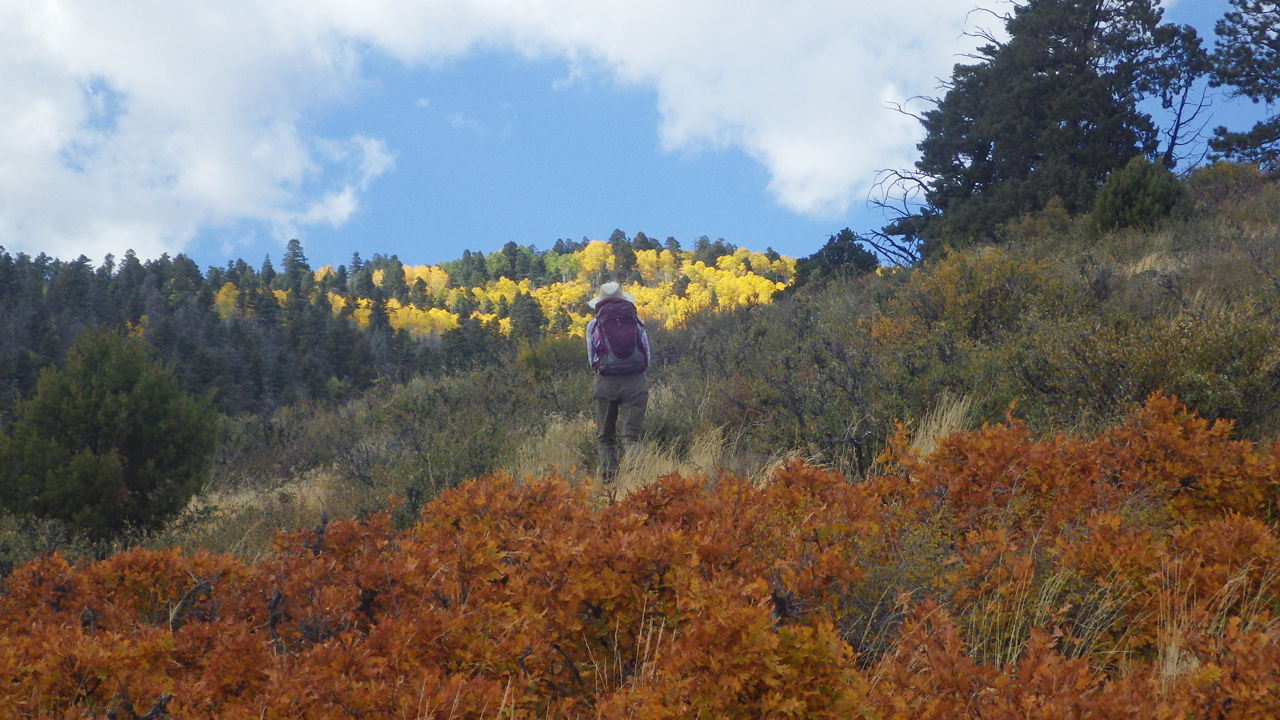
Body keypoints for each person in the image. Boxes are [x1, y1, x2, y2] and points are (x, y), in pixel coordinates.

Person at [586, 282, 650, 482]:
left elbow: (591, 358)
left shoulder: (593, 324)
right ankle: (637, 484)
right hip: (635, 382)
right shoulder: (636, 320)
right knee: (631, 437)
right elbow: (647, 354)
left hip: (605, 383)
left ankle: (609, 485)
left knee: (605, 438)